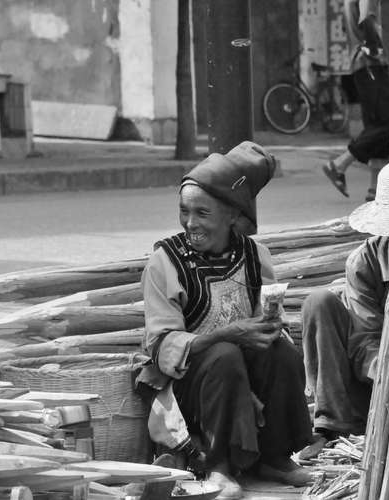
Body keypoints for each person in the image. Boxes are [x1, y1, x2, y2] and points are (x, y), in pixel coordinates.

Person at [138, 141, 314, 499]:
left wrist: (268, 329)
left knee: (281, 353)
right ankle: (218, 467)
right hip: (189, 389)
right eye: (184, 211)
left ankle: (274, 457)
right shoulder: (165, 263)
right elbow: (163, 346)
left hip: (237, 376)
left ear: (232, 215)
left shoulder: (254, 255)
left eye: (202, 213)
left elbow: (265, 325)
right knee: (224, 354)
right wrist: (229, 335)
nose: (191, 223)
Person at [300, 157, 389, 460]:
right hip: (379, 384)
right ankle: (332, 428)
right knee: (319, 302)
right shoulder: (365, 260)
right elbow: (365, 340)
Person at [322, 0, 389, 201]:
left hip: (363, 65)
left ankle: (375, 190)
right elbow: (366, 19)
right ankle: (339, 164)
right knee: (387, 123)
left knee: (377, 125)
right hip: (371, 64)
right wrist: (373, 49)